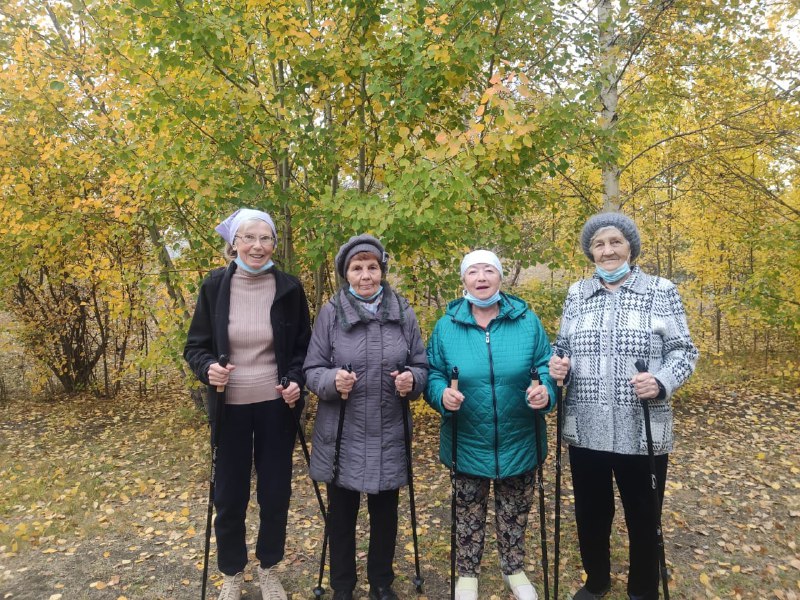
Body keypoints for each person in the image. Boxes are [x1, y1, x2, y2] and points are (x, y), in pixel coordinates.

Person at [549, 212, 698, 600]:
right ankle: (596, 580)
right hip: (587, 427)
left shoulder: (660, 290)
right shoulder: (577, 293)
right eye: (599, 244)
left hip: (642, 427)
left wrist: (662, 381)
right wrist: (557, 365)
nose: (607, 250)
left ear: (630, 245)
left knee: (643, 514)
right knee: (591, 514)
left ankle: (643, 587)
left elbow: (683, 351)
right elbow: (561, 347)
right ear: (590, 252)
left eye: (615, 241)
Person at [184, 208, 312, 600]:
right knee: (229, 495)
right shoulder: (214, 286)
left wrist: (296, 382)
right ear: (234, 243)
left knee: (275, 492)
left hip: (277, 407)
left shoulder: (289, 288)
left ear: (275, 243)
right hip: (230, 407)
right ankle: (232, 573)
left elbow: (304, 351)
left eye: (266, 238)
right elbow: (196, 347)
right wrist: (209, 370)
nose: (258, 246)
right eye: (249, 238)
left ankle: (269, 568)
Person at [425, 249, 556, 600]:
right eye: (473, 272)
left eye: (488, 271)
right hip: (467, 439)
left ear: (501, 277)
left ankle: (514, 570)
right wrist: (441, 396)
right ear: (463, 280)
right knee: (468, 510)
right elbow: (433, 372)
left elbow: (546, 365)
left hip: (520, 437)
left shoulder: (527, 320)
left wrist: (546, 390)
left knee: (515, 509)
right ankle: (467, 574)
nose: (481, 278)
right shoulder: (446, 325)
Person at [303, 234, 428, 600]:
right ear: (346, 273)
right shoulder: (330, 312)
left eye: (372, 267)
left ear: (382, 271)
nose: (365, 275)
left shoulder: (403, 311)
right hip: (342, 432)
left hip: (389, 431)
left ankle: (381, 584)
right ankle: (343, 586)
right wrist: (331, 380)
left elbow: (422, 366)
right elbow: (312, 368)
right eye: (357, 268)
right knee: (341, 517)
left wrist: (412, 380)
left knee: (385, 518)